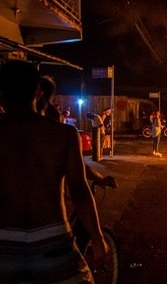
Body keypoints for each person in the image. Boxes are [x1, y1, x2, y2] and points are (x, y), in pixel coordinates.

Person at [0, 60, 108, 283]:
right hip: (53, 241)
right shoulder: (64, 135)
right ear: (38, 92)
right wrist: (97, 238)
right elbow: (79, 191)